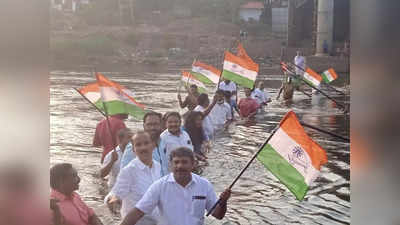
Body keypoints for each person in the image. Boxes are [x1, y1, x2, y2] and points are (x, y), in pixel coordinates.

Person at [119, 147, 232, 225]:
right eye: (176, 162)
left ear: (193, 164)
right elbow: (138, 212)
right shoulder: (159, 186)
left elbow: (218, 215)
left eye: (184, 162)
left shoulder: (204, 185)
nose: (180, 166)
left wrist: (223, 202)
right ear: (171, 165)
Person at [105, 131, 161, 223]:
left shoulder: (157, 166)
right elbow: (116, 194)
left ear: (153, 145)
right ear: (133, 150)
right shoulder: (129, 171)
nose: (143, 147)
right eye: (138, 145)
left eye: (146, 143)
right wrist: (112, 200)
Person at [120, 111, 168, 177]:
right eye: (149, 124)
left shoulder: (165, 143)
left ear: (161, 125)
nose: (152, 128)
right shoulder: (134, 146)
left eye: (156, 124)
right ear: (144, 126)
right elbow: (124, 173)